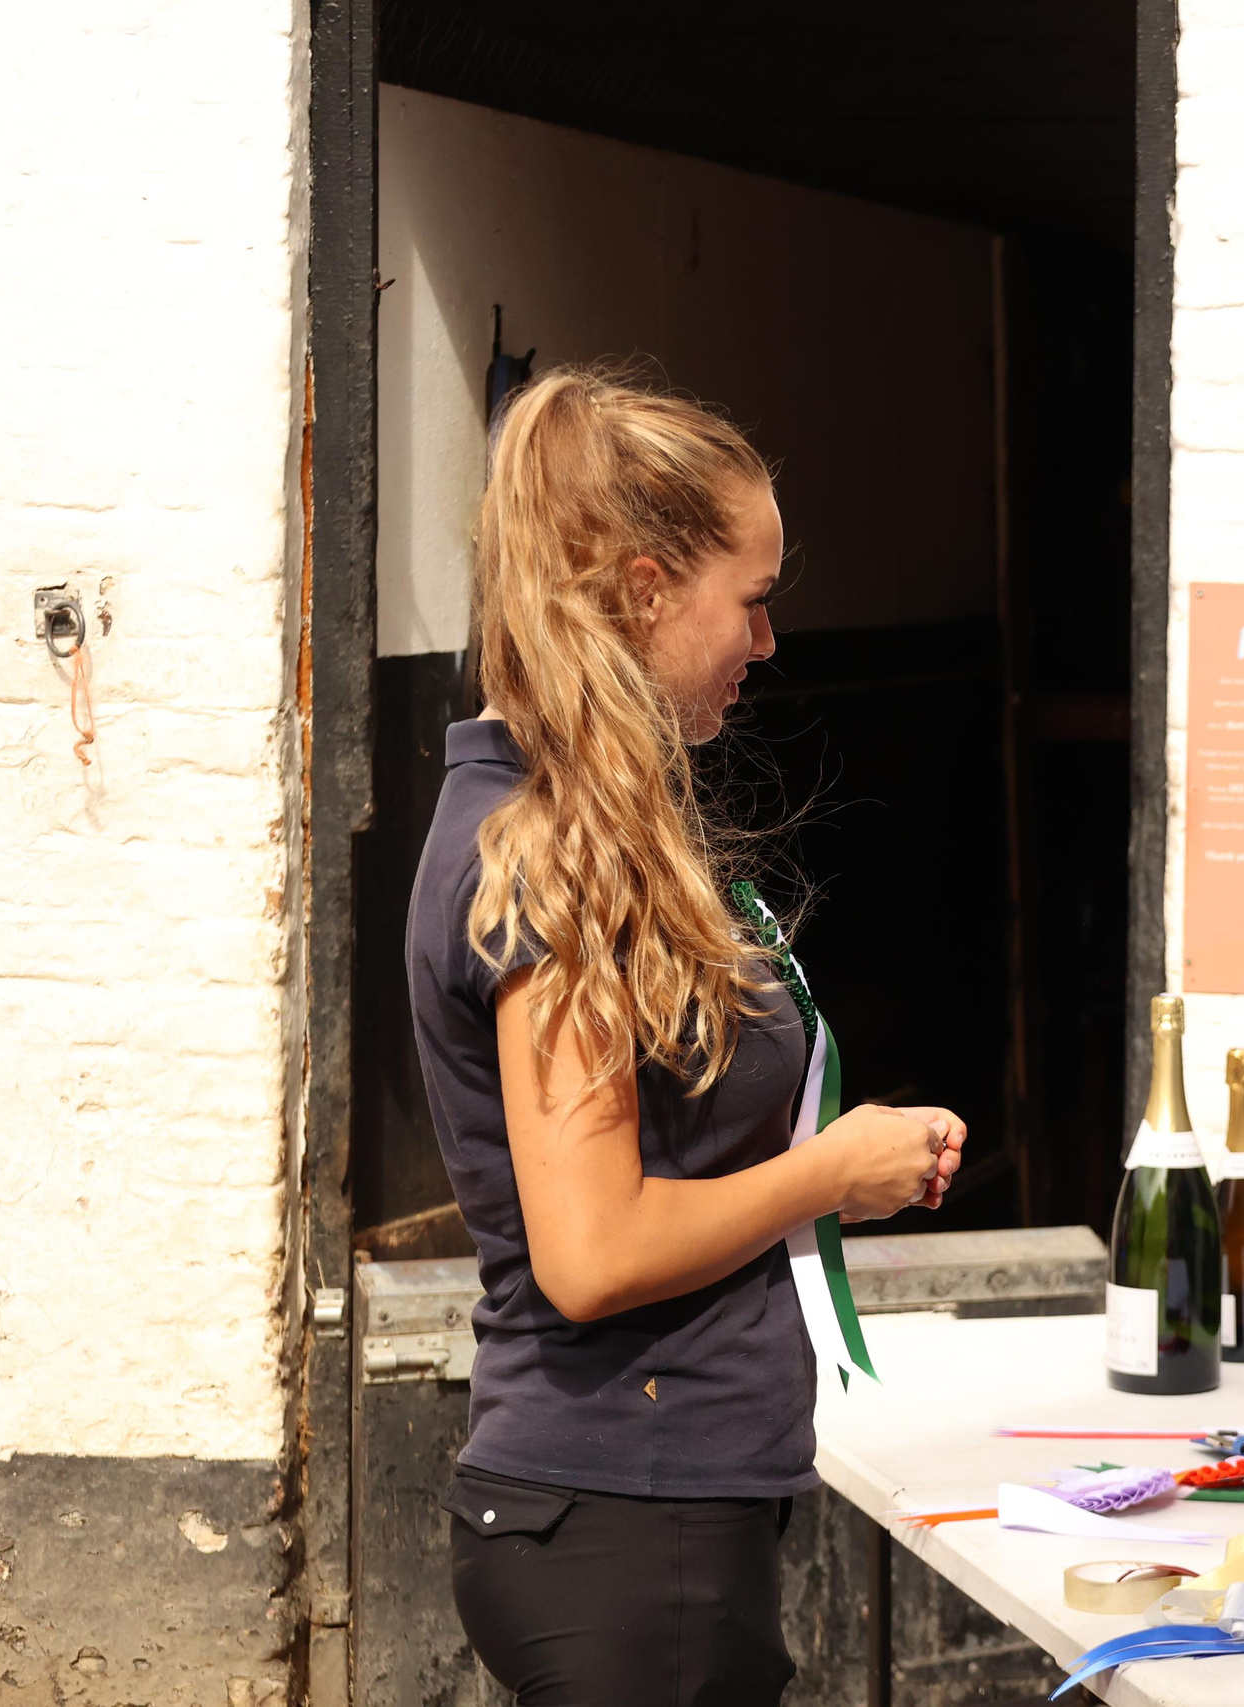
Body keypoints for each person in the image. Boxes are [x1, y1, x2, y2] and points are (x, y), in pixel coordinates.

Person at [406, 367, 967, 1704]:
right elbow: (592, 1252)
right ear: (650, 589)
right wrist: (833, 1171)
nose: (768, 641)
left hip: (648, 1509)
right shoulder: (550, 852)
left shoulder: (585, 822)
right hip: (622, 1517)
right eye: (754, 599)